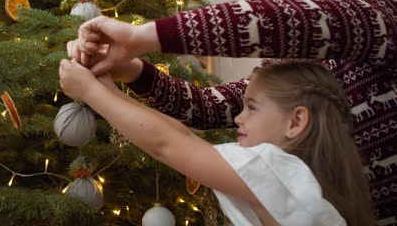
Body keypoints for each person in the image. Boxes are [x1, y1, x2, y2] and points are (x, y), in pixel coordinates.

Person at [69, 0, 397, 220]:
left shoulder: (381, 10)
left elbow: (304, 21)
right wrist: (130, 70)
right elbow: (205, 107)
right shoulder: (282, 66)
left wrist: (140, 38)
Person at [59, 59, 373, 225]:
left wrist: (90, 93)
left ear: (296, 122)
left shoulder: (281, 171)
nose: (238, 118)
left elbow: (167, 145)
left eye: (251, 107)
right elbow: (182, 136)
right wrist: (107, 87)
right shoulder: (307, 180)